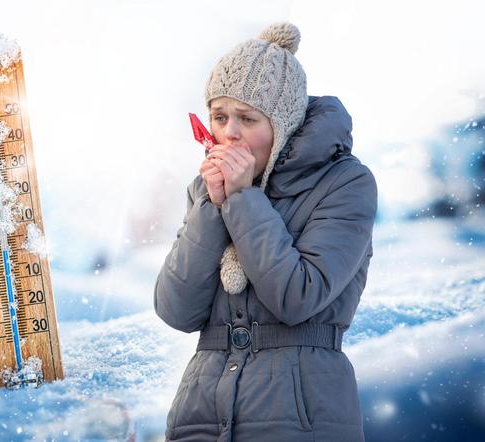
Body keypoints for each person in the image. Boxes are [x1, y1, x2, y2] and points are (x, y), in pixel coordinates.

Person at [154, 21, 378, 441]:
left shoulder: (345, 183)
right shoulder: (206, 188)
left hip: (300, 416)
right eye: (219, 117)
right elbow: (176, 310)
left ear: (284, 123)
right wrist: (212, 206)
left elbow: (298, 298)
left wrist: (242, 202)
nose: (229, 133)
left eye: (247, 118)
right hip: (200, 415)